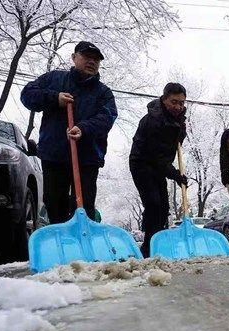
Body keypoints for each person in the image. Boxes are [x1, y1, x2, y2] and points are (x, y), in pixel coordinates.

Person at [21, 41, 117, 224]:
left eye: (96, 59)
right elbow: (27, 95)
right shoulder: (54, 80)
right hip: (54, 155)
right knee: (54, 205)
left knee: (84, 206)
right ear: (74, 57)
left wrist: (84, 128)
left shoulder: (103, 92)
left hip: (87, 158)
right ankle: (61, 245)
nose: (92, 62)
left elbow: (108, 117)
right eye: (87, 57)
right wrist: (54, 98)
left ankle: (83, 244)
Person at [129, 82, 189, 257]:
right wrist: (176, 175)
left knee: (164, 206)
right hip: (142, 163)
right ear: (164, 100)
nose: (178, 106)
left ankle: (157, 244)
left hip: (159, 166)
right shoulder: (153, 120)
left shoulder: (178, 120)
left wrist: (180, 132)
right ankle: (148, 248)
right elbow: (156, 156)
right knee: (153, 203)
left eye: (182, 103)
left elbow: (170, 150)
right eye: (174, 102)